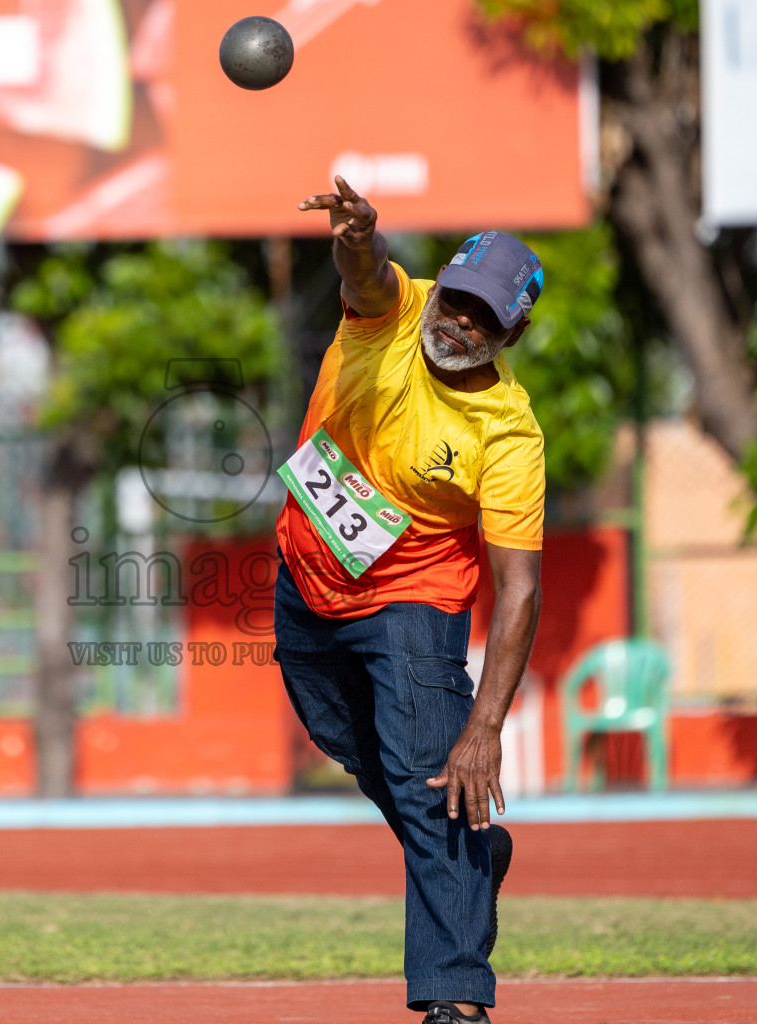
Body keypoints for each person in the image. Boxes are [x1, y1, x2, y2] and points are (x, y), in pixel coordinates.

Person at [274, 177, 545, 1023]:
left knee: (434, 782)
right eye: (458, 300)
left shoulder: (507, 432)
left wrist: (486, 727)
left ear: (513, 331)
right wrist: (357, 235)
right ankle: (471, 860)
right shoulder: (395, 310)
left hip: (412, 603)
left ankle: (456, 997)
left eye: (484, 317)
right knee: (351, 746)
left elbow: (521, 587)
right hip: (307, 576)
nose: (459, 322)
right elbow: (366, 272)